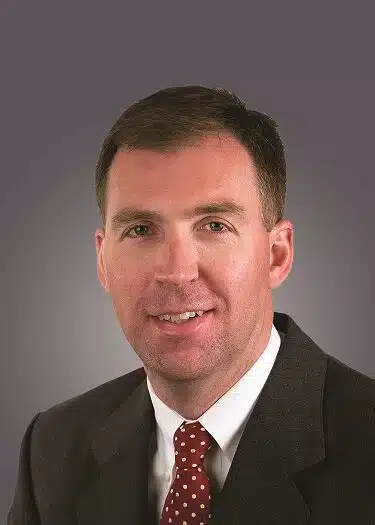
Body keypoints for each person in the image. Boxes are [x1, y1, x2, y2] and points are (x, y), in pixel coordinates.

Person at [8, 86, 375, 525]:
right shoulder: (53, 448)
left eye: (214, 225)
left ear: (276, 256)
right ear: (103, 262)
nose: (177, 272)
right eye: (141, 229)